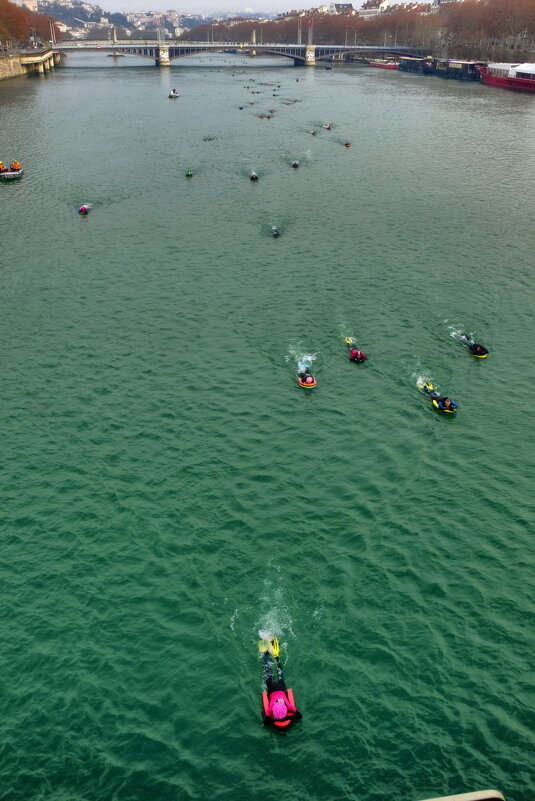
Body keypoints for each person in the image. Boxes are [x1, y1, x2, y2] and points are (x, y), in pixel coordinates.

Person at [261, 639, 302, 730]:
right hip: (273, 689)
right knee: (269, 672)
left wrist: (277, 719)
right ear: (286, 709)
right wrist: (285, 718)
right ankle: (267, 654)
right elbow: (299, 716)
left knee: (279, 673)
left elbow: (265, 722)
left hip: (280, 687)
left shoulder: (273, 707)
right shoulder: (287, 706)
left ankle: (275, 656)